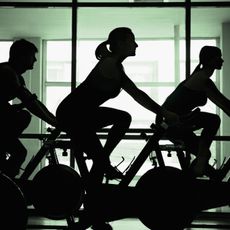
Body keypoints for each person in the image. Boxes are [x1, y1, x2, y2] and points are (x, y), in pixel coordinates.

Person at [56, 27, 179, 188]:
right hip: (73, 115)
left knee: (101, 159)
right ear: (121, 43)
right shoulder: (110, 64)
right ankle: (100, 176)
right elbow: (137, 94)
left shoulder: (115, 65)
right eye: (132, 40)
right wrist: (164, 112)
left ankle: (95, 194)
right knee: (122, 120)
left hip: (81, 114)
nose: (136, 45)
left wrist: (163, 112)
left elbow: (137, 94)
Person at [156, 45, 230, 180]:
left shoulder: (200, 76)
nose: (222, 60)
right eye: (218, 57)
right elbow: (225, 104)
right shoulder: (202, 79)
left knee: (205, 157)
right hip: (172, 123)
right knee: (213, 120)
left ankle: (195, 177)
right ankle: (197, 172)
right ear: (209, 60)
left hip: (174, 122)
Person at [0, 39, 57, 178]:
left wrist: (53, 119)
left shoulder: (14, 74)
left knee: (19, 151)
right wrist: (53, 121)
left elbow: (32, 100)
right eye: (32, 56)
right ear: (22, 56)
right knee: (23, 119)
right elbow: (30, 103)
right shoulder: (8, 73)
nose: (35, 59)